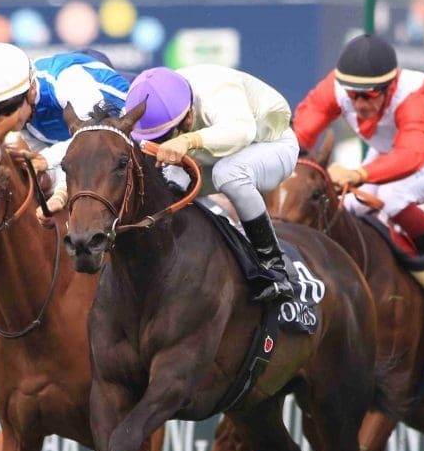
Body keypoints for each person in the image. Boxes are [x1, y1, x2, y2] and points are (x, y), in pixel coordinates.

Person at [292, 33, 424, 321]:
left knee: (394, 199)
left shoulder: (412, 97)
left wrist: (358, 173)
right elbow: (300, 134)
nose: (357, 104)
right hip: (387, 153)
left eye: (368, 95)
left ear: (390, 86)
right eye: (351, 93)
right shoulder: (336, 88)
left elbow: (412, 155)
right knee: (350, 208)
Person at [122, 65, 297, 302]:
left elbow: (242, 131)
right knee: (168, 186)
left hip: (269, 144)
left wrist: (188, 139)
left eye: (165, 137)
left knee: (229, 174)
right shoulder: (151, 101)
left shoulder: (217, 88)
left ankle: (275, 269)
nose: (160, 144)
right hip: (208, 155)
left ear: (189, 117)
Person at [0, 43, 130, 216]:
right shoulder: (24, 115)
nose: (3, 120)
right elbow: (68, 167)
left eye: (7, 109)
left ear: (32, 90)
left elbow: (95, 142)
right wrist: (56, 191)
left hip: (145, 129)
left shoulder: (68, 81)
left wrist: (46, 160)